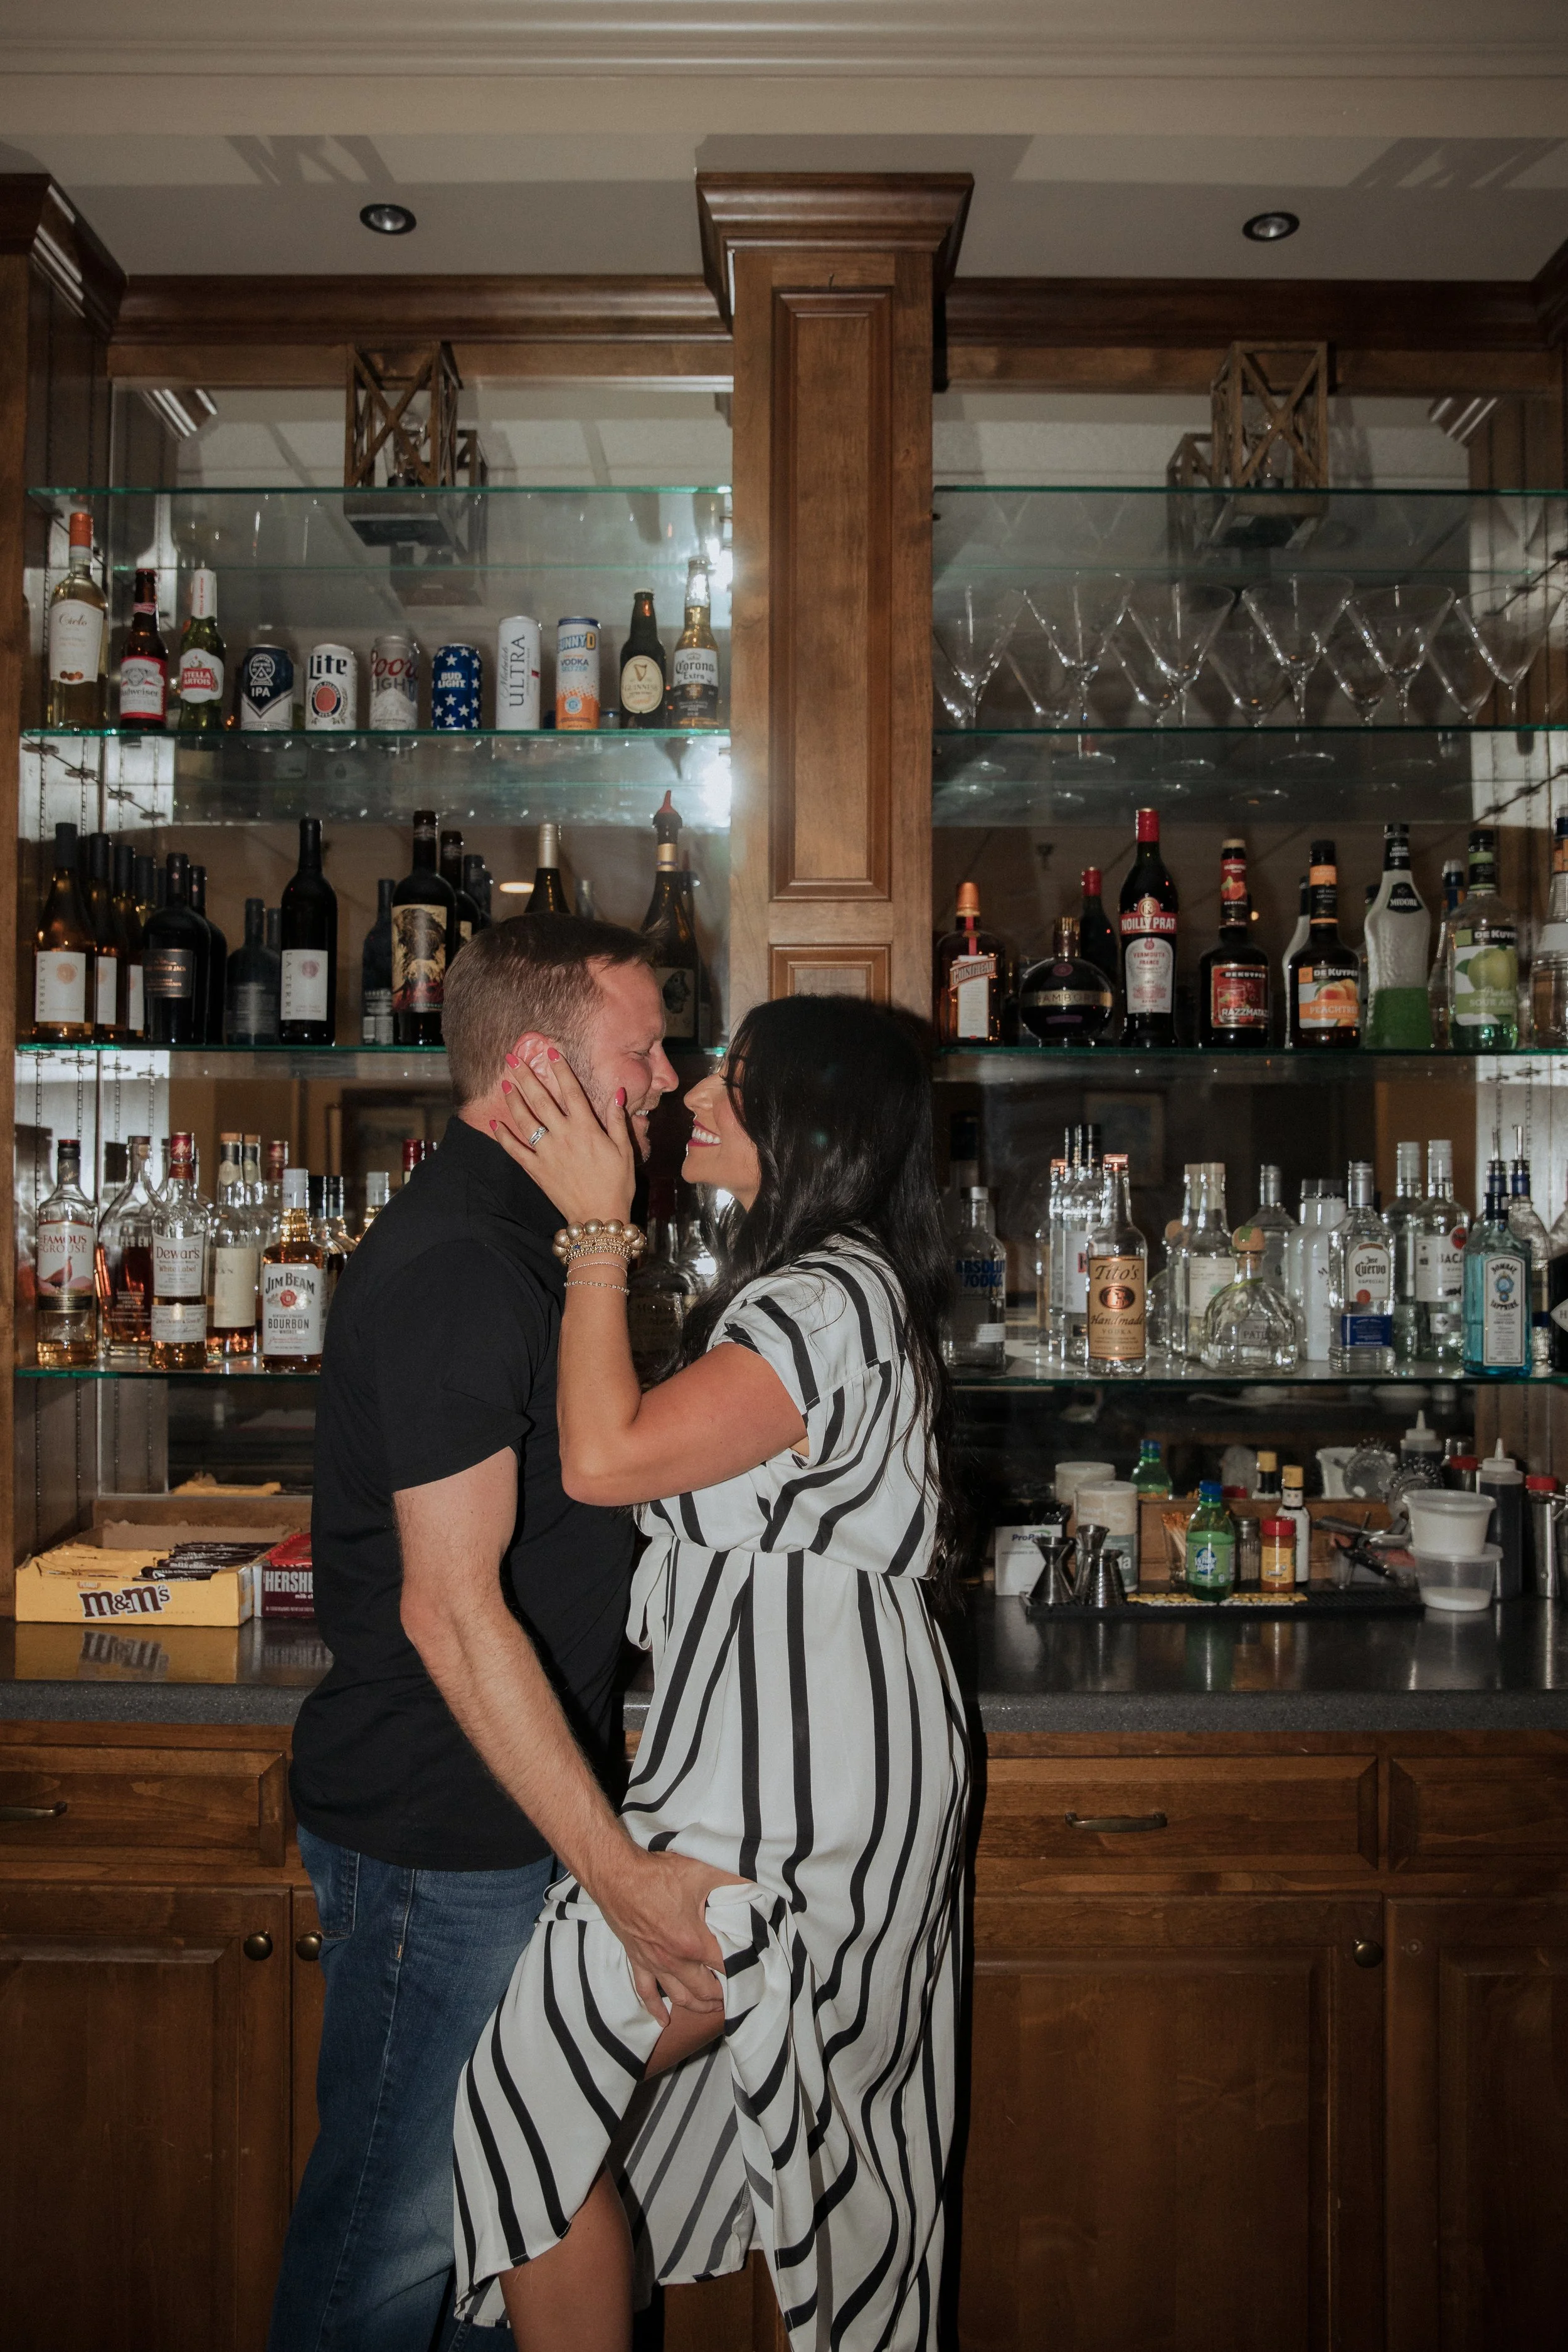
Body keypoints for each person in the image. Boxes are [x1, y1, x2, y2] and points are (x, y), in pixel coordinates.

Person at [452, 994, 971, 2352]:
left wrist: (597, 1232)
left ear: (817, 1125)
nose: (694, 1100)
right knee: (558, 2116)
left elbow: (603, 1460)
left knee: (525, 2102)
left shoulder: (823, 1292)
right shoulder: (828, 1284)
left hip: (792, 1782)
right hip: (780, 1750)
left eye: (735, 1085)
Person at [270, 915, 729, 2352]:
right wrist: (620, 1876)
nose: (665, 1077)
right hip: (438, 1841)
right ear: (536, 1070)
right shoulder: (465, 1262)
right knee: (387, 2263)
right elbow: (449, 1609)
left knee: (484, 2244)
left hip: (488, 1823)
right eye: (639, 1050)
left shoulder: (525, 1240)